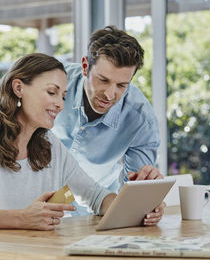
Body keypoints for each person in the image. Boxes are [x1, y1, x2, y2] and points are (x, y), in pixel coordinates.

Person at [0, 53, 118, 232]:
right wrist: (21, 218)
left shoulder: (51, 148)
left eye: (63, 96)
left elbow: (98, 197)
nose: (60, 103)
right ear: (18, 88)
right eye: (52, 92)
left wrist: (138, 210)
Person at [52, 26, 165, 223]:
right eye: (103, 80)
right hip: (34, 206)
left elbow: (137, 191)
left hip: (93, 217)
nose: (110, 94)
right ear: (85, 66)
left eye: (122, 85)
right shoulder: (53, 83)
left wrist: (148, 202)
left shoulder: (140, 120)